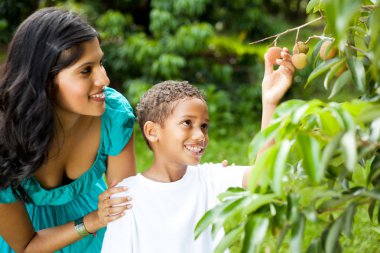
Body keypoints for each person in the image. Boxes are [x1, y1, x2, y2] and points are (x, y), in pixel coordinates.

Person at [101, 48, 295, 253]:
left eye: (204, 126)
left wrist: (270, 102)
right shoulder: (126, 196)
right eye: (187, 123)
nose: (200, 135)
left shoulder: (209, 178)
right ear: (152, 131)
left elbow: (264, 177)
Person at [0, 7, 135, 253]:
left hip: (95, 236)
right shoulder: (3, 140)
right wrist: (93, 220)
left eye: (100, 62)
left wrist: (193, 180)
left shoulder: (113, 116)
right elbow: (26, 245)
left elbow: (126, 209)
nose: (104, 79)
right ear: (44, 81)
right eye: (86, 70)